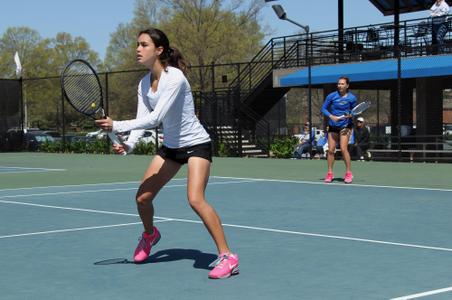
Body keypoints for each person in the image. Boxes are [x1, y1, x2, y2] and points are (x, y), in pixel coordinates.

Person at [95, 28, 238, 279]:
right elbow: (142, 118)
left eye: (143, 45)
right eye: (137, 45)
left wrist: (116, 125)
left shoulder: (175, 78)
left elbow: (156, 118)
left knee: (195, 199)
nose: (138, 49)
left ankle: (227, 256)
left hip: (196, 144)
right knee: (142, 198)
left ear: (159, 50)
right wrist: (129, 145)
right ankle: (150, 234)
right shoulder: (143, 82)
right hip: (171, 148)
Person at [321, 76, 357, 184]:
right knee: (331, 150)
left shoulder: (352, 98)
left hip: (345, 126)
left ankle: (348, 173)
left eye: (342, 84)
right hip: (333, 125)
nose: (339, 85)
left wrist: (350, 116)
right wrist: (331, 116)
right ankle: (330, 173)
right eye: (338, 84)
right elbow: (323, 108)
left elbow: (354, 112)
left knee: (343, 148)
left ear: (347, 85)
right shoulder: (331, 96)